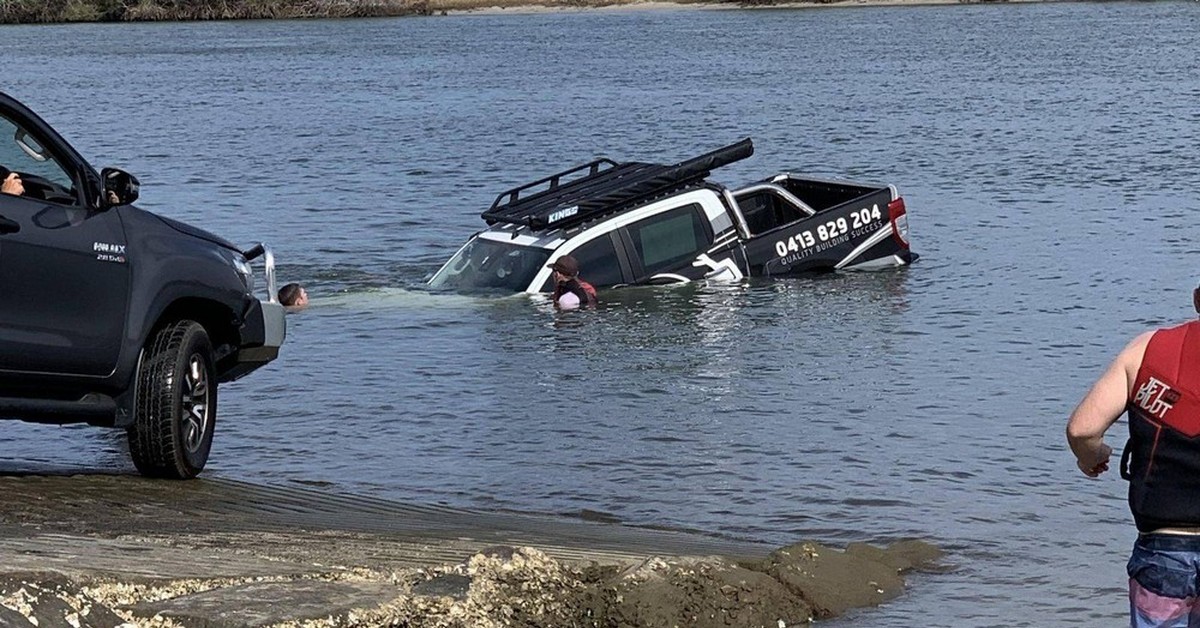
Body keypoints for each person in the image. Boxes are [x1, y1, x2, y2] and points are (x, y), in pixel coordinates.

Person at [1067, 285, 1200, 628]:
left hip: (1165, 547)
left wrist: (1092, 457)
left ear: (1198, 299)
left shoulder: (1148, 349)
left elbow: (1082, 430)